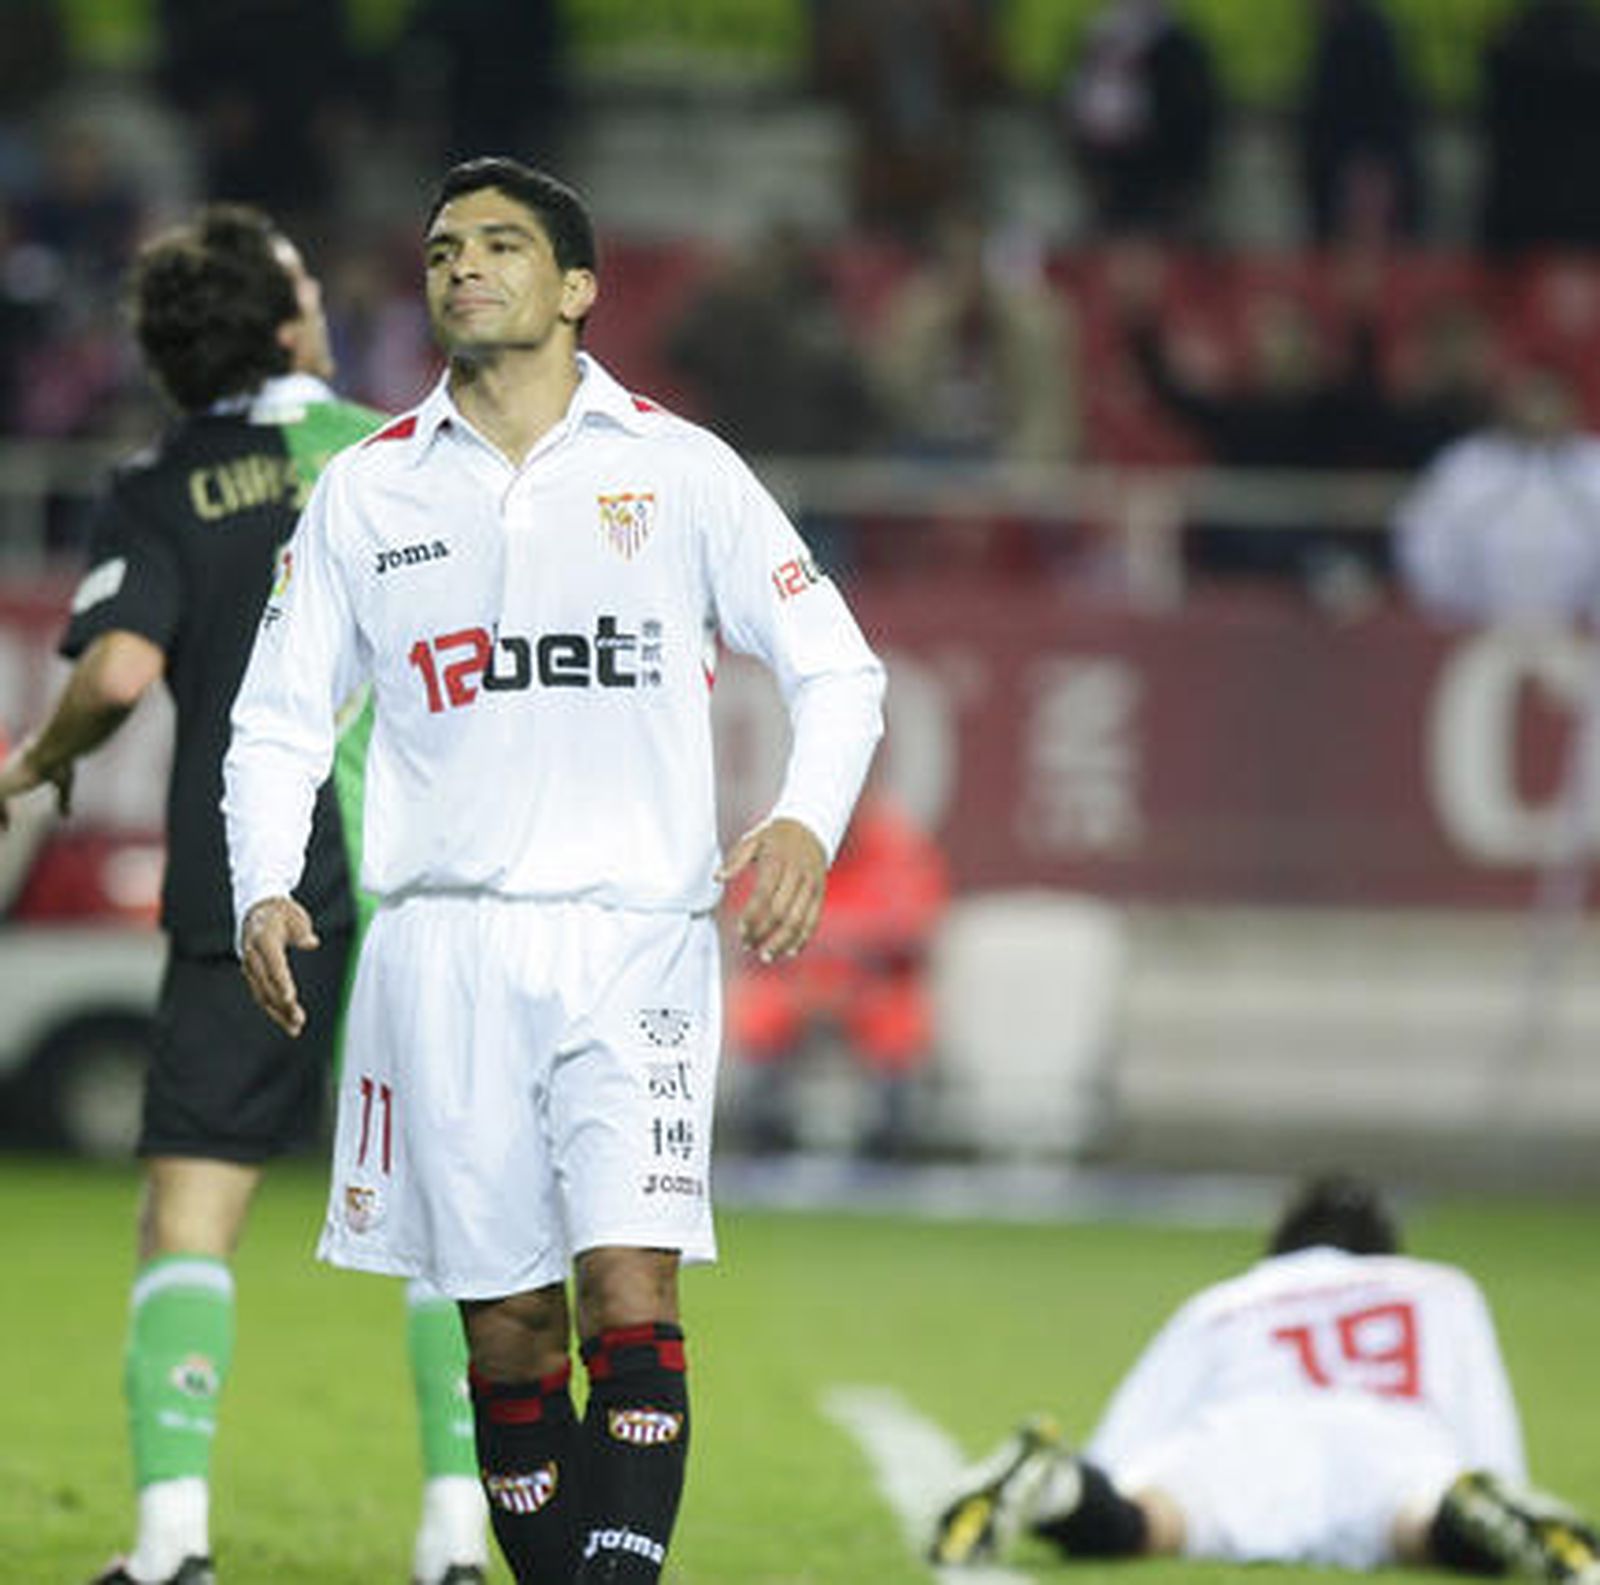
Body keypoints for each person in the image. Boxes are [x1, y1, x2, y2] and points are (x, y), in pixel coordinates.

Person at [222, 156, 886, 1584]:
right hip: (438, 949)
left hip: (629, 941)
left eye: (503, 245)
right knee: (503, 1327)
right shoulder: (366, 491)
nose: (464, 265)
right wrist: (261, 883)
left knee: (627, 1286)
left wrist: (805, 820)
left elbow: (838, 668)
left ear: (579, 289)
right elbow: (277, 716)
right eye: (446, 247)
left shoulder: (679, 469)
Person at [0, 205, 487, 1585]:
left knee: (191, 1209)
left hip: (246, 882)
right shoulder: (402, 459)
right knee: (451, 1213)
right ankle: (456, 1539)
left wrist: (34, 766)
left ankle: (172, 1545)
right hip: (415, 883)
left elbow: (113, 675)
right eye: (308, 284)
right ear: (287, 325)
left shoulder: (159, 480)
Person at [929, 1173, 1600, 1581]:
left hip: (1246, 1437)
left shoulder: (1230, 1299)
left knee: (1147, 1522)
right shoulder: (1439, 1287)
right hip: (1393, 1442)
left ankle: (1053, 1484)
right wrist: (1475, 1480)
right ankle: (1464, 1510)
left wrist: (1102, 1485)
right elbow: (1479, 1412)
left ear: (1281, 1243)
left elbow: (1135, 1436)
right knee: (1426, 1523)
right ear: (1385, 1242)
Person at [728, 784, 949, 1157]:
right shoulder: (783, 840)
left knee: (897, 1020)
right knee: (762, 1010)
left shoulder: (895, 846)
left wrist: (847, 969)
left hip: (871, 988)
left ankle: (888, 1150)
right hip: (796, 983)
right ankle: (763, 1143)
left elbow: (911, 932)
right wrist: (815, 975)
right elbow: (751, 924)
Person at [1394, 362, 1600, 627]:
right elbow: (1423, 542)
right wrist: (1454, 611)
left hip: (1580, 631)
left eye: (1549, 398)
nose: (1539, 410)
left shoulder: (1593, 464)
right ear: (1506, 404)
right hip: (1480, 627)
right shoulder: (1466, 464)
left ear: (1571, 404)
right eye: (1531, 397)